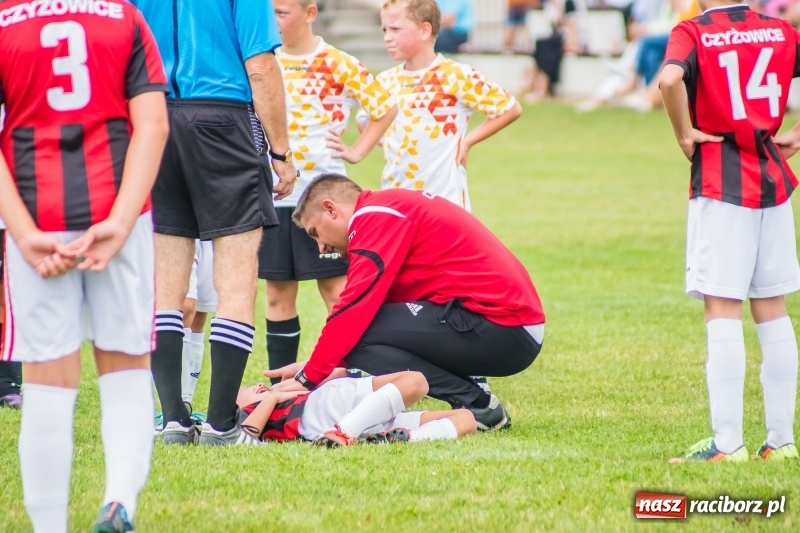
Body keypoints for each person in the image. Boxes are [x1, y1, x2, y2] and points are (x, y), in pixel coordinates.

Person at [0, 2, 169, 531]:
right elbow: (153, 126)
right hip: (116, 211)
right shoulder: (124, 17)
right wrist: (120, 221)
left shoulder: (4, 21)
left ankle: (50, 526)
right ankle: (120, 499)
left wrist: (24, 234)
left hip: (37, 214)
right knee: (125, 365)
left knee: (47, 378)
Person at [130, 0, 299, 446]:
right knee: (236, 282)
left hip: (154, 119)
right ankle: (223, 424)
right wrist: (281, 154)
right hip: (222, 120)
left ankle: (173, 419)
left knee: (166, 284)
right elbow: (260, 67)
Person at [266, 174, 545, 431]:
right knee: (362, 332)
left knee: (359, 331)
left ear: (331, 208)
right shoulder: (385, 208)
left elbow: (354, 311)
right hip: (510, 326)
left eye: (315, 233)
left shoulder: (374, 215)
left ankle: (479, 405)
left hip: (505, 327)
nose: (321, 248)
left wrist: (308, 378)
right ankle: (477, 401)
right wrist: (315, 366)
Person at [660, 0, 800, 462]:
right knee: (773, 310)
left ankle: (727, 445)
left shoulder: (693, 31)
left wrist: (683, 132)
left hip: (722, 181)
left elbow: (668, 79)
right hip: (773, 180)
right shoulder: (780, 30)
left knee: (722, 310)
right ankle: (781, 442)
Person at [260, 0, 397, 382]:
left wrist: (357, 150)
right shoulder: (262, 62)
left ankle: (349, 377)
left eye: (283, 13)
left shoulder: (339, 62)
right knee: (276, 295)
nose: (275, 22)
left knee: (337, 292)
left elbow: (384, 108)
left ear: (310, 13)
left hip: (323, 201)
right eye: (270, 13)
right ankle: (280, 388)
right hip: (274, 198)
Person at [364, 0, 522, 212]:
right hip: (397, 200)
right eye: (384, 30)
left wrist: (467, 142)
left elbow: (510, 108)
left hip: (446, 202)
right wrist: (389, 144)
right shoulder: (384, 82)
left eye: (395, 29)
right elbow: (365, 122)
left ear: (424, 30)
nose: (387, 37)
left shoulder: (455, 75)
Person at [236, 371, 477, 445]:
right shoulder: (248, 411)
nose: (258, 384)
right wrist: (272, 397)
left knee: (466, 419)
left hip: (366, 413)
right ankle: (342, 433)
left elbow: (341, 370)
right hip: (334, 408)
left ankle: (403, 439)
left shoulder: (283, 395)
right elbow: (247, 433)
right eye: (247, 388)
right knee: (417, 382)